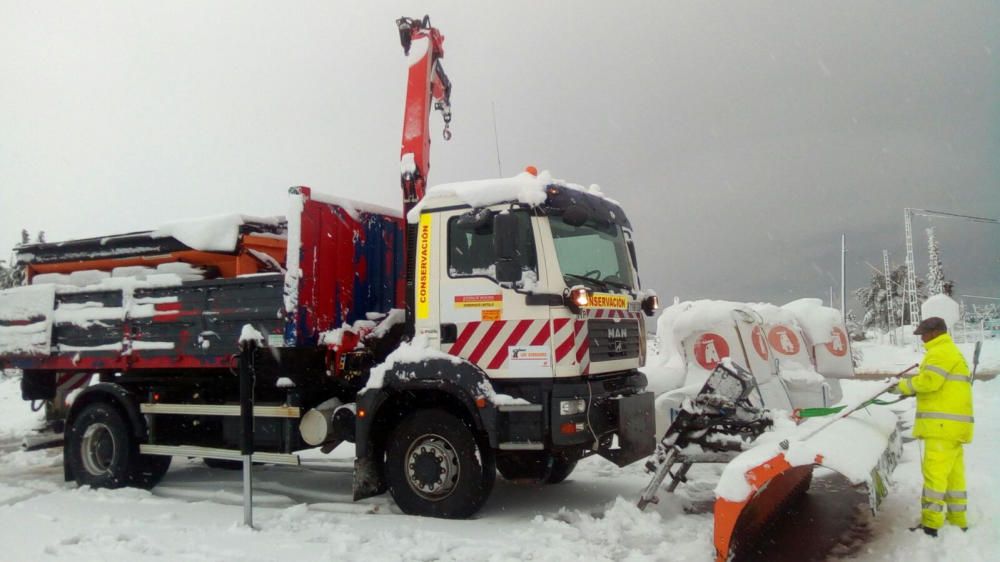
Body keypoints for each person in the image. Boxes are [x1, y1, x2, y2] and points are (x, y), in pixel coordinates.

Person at [892, 316, 974, 536]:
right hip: (953, 427)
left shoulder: (940, 352)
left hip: (941, 427)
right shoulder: (949, 351)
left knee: (934, 477)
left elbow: (929, 382)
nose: (922, 338)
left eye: (924, 334)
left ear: (936, 332)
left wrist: (899, 387)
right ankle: (958, 519)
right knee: (953, 476)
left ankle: (931, 524)